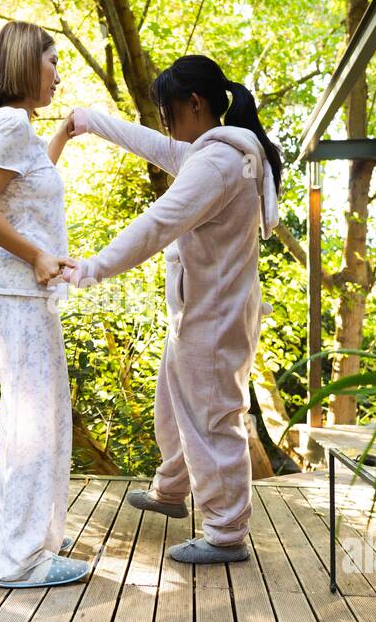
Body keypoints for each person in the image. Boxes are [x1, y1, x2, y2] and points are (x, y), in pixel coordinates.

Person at [63, 54, 281, 565]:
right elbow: (159, 147)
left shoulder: (217, 164)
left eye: (168, 114)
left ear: (195, 104)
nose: (165, 127)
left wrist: (92, 267)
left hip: (212, 313)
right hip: (209, 308)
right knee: (175, 399)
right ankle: (171, 489)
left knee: (213, 417)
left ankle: (226, 532)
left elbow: (159, 223)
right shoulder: (219, 153)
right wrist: (92, 121)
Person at [0, 21, 87, 588]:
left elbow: (29, 182)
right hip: (15, 296)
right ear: (24, 65)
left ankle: (32, 546)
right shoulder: (11, 122)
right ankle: (21, 559)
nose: (58, 74)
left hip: (22, 300)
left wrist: (61, 136)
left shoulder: (23, 132)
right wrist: (39, 255)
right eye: (52, 62)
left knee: (40, 423)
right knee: (32, 429)